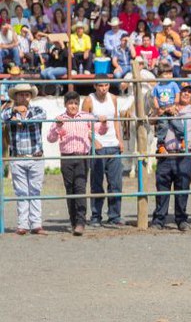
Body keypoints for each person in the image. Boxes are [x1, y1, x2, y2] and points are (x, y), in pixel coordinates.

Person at [150, 84, 191, 231]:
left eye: (190, 92)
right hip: (165, 154)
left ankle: (181, 219)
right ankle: (159, 219)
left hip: (183, 154)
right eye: (184, 91)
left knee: (182, 188)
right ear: (177, 93)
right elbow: (151, 120)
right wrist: (162, 109)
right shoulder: (166, 106)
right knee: (162, 187)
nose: (187, 93)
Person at [47, 91, 104, 236]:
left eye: (75, 103)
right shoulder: (60, 118)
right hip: (66, 158)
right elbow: (50, 138)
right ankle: (73, 221)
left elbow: (100, 131)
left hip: (82, 157)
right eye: (70, 103)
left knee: (80, 188)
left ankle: (80, 222)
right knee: (70, 190)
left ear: (78, 104)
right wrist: (58, 127)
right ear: (65, 104)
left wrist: (104, 122)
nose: (73, 106)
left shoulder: (86, 117)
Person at [1, 83, 47, 235]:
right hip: (18, 157)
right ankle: (23, 225)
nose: (24, 97)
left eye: (26, 94)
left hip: (35, 157)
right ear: (16, 97)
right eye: (20, 95)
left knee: (35, 191)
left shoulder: (38, 110)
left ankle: (36, 224)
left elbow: (42, 116)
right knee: (21, 192)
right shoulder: (8, 112)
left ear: (30, 97)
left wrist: (21, 118)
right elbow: (2, 117)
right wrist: (14, 111)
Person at [82, 80, 124, 227]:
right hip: (98, 146)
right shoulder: (89, 100)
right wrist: (93, 140)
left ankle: (114, 216)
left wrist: (120, 139)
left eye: (106, 85)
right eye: (100, 85)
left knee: (116, 183)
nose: (103, 88)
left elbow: (116, 120)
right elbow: (83, 122)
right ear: (95, 86)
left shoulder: (113, 98)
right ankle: (96, 216)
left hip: (113, 144)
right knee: (96, 183)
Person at [151, 61, 185, 155]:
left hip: (172, 107)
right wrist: (158, 108)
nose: (169, 75)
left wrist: (175, 105)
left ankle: (183, 140)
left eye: (170, 73)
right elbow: (155, 98)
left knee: (177, 123)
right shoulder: (157, 86)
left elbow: (177, 94)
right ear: (159, 75)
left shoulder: (173, 84)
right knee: (163, 126)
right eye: (166, 73)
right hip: (162, 108)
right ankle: (161, 145)